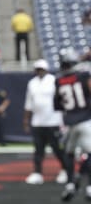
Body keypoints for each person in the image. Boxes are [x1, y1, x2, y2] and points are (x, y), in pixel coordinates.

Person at [54, 48, 91, 201]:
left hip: (70, 122)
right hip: (86, 120)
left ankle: (70, 183)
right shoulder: (83, 76)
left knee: (68, 153)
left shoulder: (58, 80)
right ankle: (89, 187)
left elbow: (57, 105)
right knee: (89, 154)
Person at [23, 59, 67, 186]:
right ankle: (37, 173)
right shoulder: (32, 83)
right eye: (37, 69)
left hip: (53, 121)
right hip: (37, 121)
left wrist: (64, 119)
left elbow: (62, 100)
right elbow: (28, 103)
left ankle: (64, 170)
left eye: (41, 69)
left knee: (57, 149)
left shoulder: (54, 80)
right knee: (38, 150)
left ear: (46, 69)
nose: (39, 71)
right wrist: (26, 120)